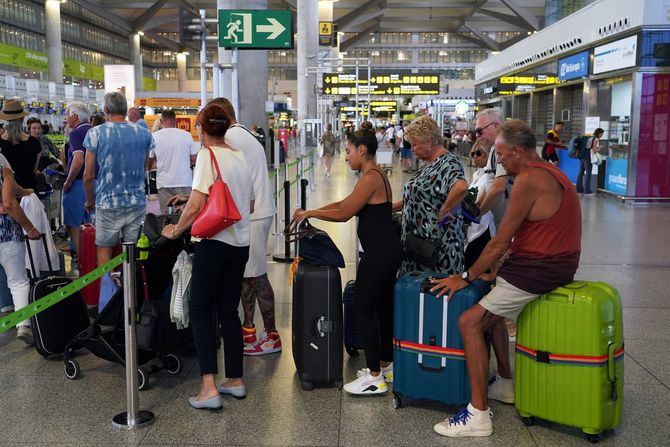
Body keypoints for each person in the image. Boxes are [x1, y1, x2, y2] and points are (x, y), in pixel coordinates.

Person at [430, 120, 582, 438]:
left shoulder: (528, 179)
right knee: (492, 309)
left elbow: (499, 241)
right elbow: (526, 236)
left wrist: (465, 276)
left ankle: (478, 415)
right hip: (553, 263)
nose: (498, 161)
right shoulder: (552, 173)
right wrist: (493, 271)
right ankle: (505, 382)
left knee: (470, 322)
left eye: (500, 155)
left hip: (539, 268)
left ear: (516, 151)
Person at [294, 127, 402, 395]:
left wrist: (311, 212)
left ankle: (374, 376)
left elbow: (344, 213)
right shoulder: (376, 175)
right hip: (387, 252)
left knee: (364, 307)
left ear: (362, 150)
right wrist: (313, 212)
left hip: (378, 255)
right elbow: (346, 203)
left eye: (348, 150)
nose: (345, 156)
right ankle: (386, 365)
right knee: (383, 308)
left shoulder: (371, 177)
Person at [161, 103, 253, 410]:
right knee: (228, 309)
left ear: (202, 127)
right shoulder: (239, 156)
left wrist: (176, 229)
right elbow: (248, 203)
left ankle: (209, 387)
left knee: (200, 308)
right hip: (240, 243)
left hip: (213, 243)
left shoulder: (207, 155)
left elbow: (197, 204)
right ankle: (236, 380)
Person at [208, 97, 280, 356]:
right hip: (255, 213)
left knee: (257, 275)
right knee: (247, 276)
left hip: (255, 213)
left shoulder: (232, 138)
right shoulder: (244, 135)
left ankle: (271, 335)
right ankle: (248, 332)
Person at [83, 92, 153, 268]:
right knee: (132, 252)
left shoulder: (95, 133)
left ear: (106, 109)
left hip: (107, 202)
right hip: (136, 201)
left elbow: (88, 175)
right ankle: (131, 292)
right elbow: (145, 166)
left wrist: (90, 200)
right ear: (125, 109)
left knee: (105, 250)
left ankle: (109, 292)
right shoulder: (144, 133)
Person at [392, 115, 468, 276]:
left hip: (437, 250)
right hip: (418, 246)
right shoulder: (429, 164)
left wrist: (445, 210)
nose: (412, 149)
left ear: (428, 142)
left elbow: (461, 187)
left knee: (431, 297)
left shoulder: (449, 162)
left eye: (414, 144)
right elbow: (416, 197)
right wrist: (390, 208)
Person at [0, 152, 42, 344]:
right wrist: (30, 228)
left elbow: (12, 188)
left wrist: (24, 191)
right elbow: (8, 202)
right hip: (6, 233)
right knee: (17, 281)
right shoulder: (1, 160)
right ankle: (24, 325)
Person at [149, 109, 199, 214]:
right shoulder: (186, 135)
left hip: (164, 183)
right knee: (184, 216)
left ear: (161, 121)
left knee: (165, 217)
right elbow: (194, 159)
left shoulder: (154, 137)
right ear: (175, 121)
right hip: (183, 181)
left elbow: (150, 162)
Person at [63, 102, 93, 269]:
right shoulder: (96, 131)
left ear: (75, 116)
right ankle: (93, 259)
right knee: (91, 224)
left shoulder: (76, 133)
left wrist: (68, 181)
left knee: (74, 225)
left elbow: (78, 159)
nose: (65, 118)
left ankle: (83, 262)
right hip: (96, 183)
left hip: (79, 183)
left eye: (67, 114)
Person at [473, 108, 509, 229]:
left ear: (496, 126)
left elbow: (499, 187)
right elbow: (490, 184)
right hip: (500, 222)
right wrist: (476, 207)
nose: (477, 135)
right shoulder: (494, 149)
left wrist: (478, 214)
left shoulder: (504, 148)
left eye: (480, 130)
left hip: (511, 226)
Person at [464, 140, 496, 270]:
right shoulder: (477, 175)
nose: (475, 156)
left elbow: (481, 203)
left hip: (484, 228)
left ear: (489, 155)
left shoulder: (491, 177)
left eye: (479, 153)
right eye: (473, 153)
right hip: (474, 226)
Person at [0, 99, 42, 191]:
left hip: (7, 192)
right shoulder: (34, 143)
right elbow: (34, 170)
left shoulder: (1, 143)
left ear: (5, 119)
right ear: (22, 119)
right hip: (29, 190)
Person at [576, 128, 604, 195]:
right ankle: (587, 190)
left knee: (581, 172)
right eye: (602, 134)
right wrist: (600, 148)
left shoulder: (589, 137)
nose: (602, 135)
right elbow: (594, 150)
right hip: (587, 156)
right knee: (588, 172)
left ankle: (579, 189)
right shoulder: (596, 139)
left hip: (582, 155)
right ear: (599, 133)